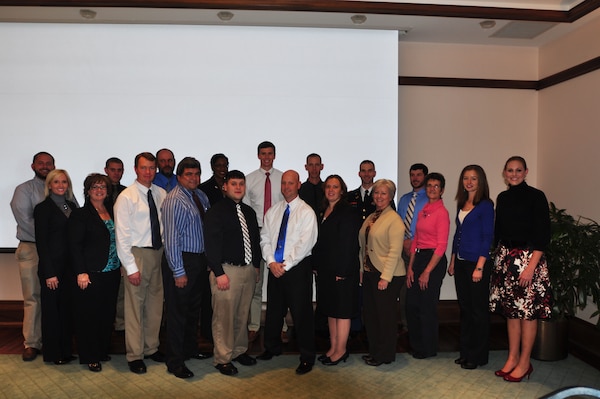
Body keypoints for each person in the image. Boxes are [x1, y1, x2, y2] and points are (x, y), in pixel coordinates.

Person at [490, 156, 551, 382]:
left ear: (526, 172)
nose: (513, 174)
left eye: (518, 170)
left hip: (529, 260)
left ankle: (525, 363)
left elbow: (543, 235)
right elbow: (499, 232)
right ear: (504, 173)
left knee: (527, 314)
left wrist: (530, 268)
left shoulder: (536, 196)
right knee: (511, 313)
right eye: (509, 170)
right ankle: (512, 358)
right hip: (506, 260)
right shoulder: (503, 198)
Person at [257, 170, 318, 375]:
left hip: (297, 269)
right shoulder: (273, 211)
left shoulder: (306, 212)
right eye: (284, 183)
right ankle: (271, 348)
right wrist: (272, 262)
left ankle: (307, 356)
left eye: (291, 183)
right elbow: (264, 239)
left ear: (298, 184)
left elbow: (305, 243)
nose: (286, 187)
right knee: (274, 311)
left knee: (302, 315)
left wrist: (285, 265)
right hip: (275, 268)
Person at [204, 170, 262, 376]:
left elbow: (254, 241)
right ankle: (222, 358)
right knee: (224, 318)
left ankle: (238, 351)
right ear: (225, 187)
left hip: (247, 270)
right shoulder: (216, 212)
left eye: (241, 184)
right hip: (226, 271)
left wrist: (255, 266)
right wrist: (219, 273)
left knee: (241, 315)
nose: (238, 187)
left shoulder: (249, 212)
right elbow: (211, 245)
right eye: (234, 184)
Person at [114, 152, 167, 374]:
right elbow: (122, 236)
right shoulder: (127, 196)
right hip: (137, 255)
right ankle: (135, 355)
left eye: (152, 168)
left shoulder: (161, 193)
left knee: (155, 305)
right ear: (136, 169)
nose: (148, 172)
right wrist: (131, 267)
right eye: (144, 168)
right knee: (135, 308)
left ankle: (151, 348)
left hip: (157, 254)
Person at [161, 157, 212, 379]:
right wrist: (178, 271)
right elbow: (171, 239)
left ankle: (190, 349)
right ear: (179, 177)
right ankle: (175, 361)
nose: (194, 178)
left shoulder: (200, 196)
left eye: (196, 174)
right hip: (182, 260)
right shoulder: (174, 200)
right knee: (178, 313)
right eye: (189, 174)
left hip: (199, 260)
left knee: (193, 311)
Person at [68, 173, 121, 372]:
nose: (99, 191)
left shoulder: (112, 212)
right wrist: (81, 272)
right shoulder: (80, 215)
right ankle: (90, 355)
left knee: (107, 314)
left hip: (112, 270)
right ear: (88, 191)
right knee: (88, 316)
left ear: (108, 191)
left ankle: (101, 350)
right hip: (91, 272)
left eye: (103, 187)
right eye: (95, 187)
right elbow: (75, 246)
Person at [447, 165, 494, 370]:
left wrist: (480, 267)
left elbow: (487, 237)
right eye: (466, 178)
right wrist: (452, 259)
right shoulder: (462, 203)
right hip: (461, 262)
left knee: (478, 312)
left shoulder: (485, 205)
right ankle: (465, 352)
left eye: (474, 178)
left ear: (480, 181)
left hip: (478, 264)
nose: (469, 182)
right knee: (465, 310)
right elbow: (458, 235)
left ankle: (478, 355)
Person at [10, 151, 55, 361]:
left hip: (58, 251)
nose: (45, 166)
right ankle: (32, 343)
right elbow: (26, 220)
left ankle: (53, 339)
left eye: (49, 163)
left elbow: (71, 216)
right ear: (33, 166)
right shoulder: (24, 190)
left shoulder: (61, 190)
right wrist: (52, 238)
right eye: (41, 163)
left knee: (56, 297)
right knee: (33, 297)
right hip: (33, 249)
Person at [312, 175, 360, 366]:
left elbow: (349, 245)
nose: (331, 190)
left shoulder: (347, 212)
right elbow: (321, 242)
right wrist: (316, 265)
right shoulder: (324, 210)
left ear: (342, 190)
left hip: (342, 271)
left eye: (335, 187)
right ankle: (333, 348)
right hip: (326, 271)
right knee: (331, 310)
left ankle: (341, 350)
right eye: (328, 186)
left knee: (342, 312)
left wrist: (343, 270)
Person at [358, 179, 406, 366]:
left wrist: (385, 277)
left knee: (384, 318)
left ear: (391, 196)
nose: (379, 196)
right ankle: (375, 351)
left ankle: (385, 355)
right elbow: (365, 246)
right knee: (370, 316)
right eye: (377, 192)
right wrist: (362, 269)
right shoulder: (372, 217)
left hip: (389, 275)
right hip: (371, 273)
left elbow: (395, 251)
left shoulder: (394, 219)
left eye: (383, 193)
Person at [34, 169, 78, 364]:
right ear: (49, 185)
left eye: (64, 182)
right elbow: (41, 243)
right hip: (52, 269)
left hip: (70, 269)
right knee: (53, 313)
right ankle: (54, 353)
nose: (60, 185)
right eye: (56, 182)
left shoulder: (72, 207)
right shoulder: (42, 208)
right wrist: (49, 273)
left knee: (67, 311)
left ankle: (66, 350)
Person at [243, 141, 283, 343]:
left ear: (274, 155)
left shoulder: (283, 178)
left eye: (270, 154)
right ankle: (254, 325)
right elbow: (248, 212)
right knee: (256, 282)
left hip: (278, 235)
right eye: (263, 154)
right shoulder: (249, 180)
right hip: (257, 233)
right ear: (258, 155)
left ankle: (281, 324)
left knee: (279, 281)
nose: (266, 157)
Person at [406, 172, 450, 360]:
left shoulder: (442, 212)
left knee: (426, 307)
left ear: (442, 190)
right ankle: (417, 345)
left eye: (436, 186)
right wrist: (410, 267)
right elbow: (416, 239)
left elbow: (441, 246)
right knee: (412, 305)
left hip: (434, 261)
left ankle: (429, 348)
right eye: (429, 185)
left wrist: (426, 272)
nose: (432, 189)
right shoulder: (424, 208)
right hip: (419, 258)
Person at [397, 163, 429, 331]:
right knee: (404, 289)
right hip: (403, 250)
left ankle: (418, 325)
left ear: (425, 176)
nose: (415, 178)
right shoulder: (404, 199)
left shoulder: (430, 199)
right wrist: (403, 241)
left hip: (420, 250)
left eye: (418, 175)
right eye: (412, 175)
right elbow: (398, 223)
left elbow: (427, 227)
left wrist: (413, 241)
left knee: (418, 289)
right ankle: (405, 324)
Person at [104, 157, 127, 334]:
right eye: (113, 169)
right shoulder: (98, 193)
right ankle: (106, 323)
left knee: (122, 290)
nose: (116, 173)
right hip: (103, 248)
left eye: (119, 170)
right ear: (106, 170)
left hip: (123, 245)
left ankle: (120, 325)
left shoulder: (126, 193)